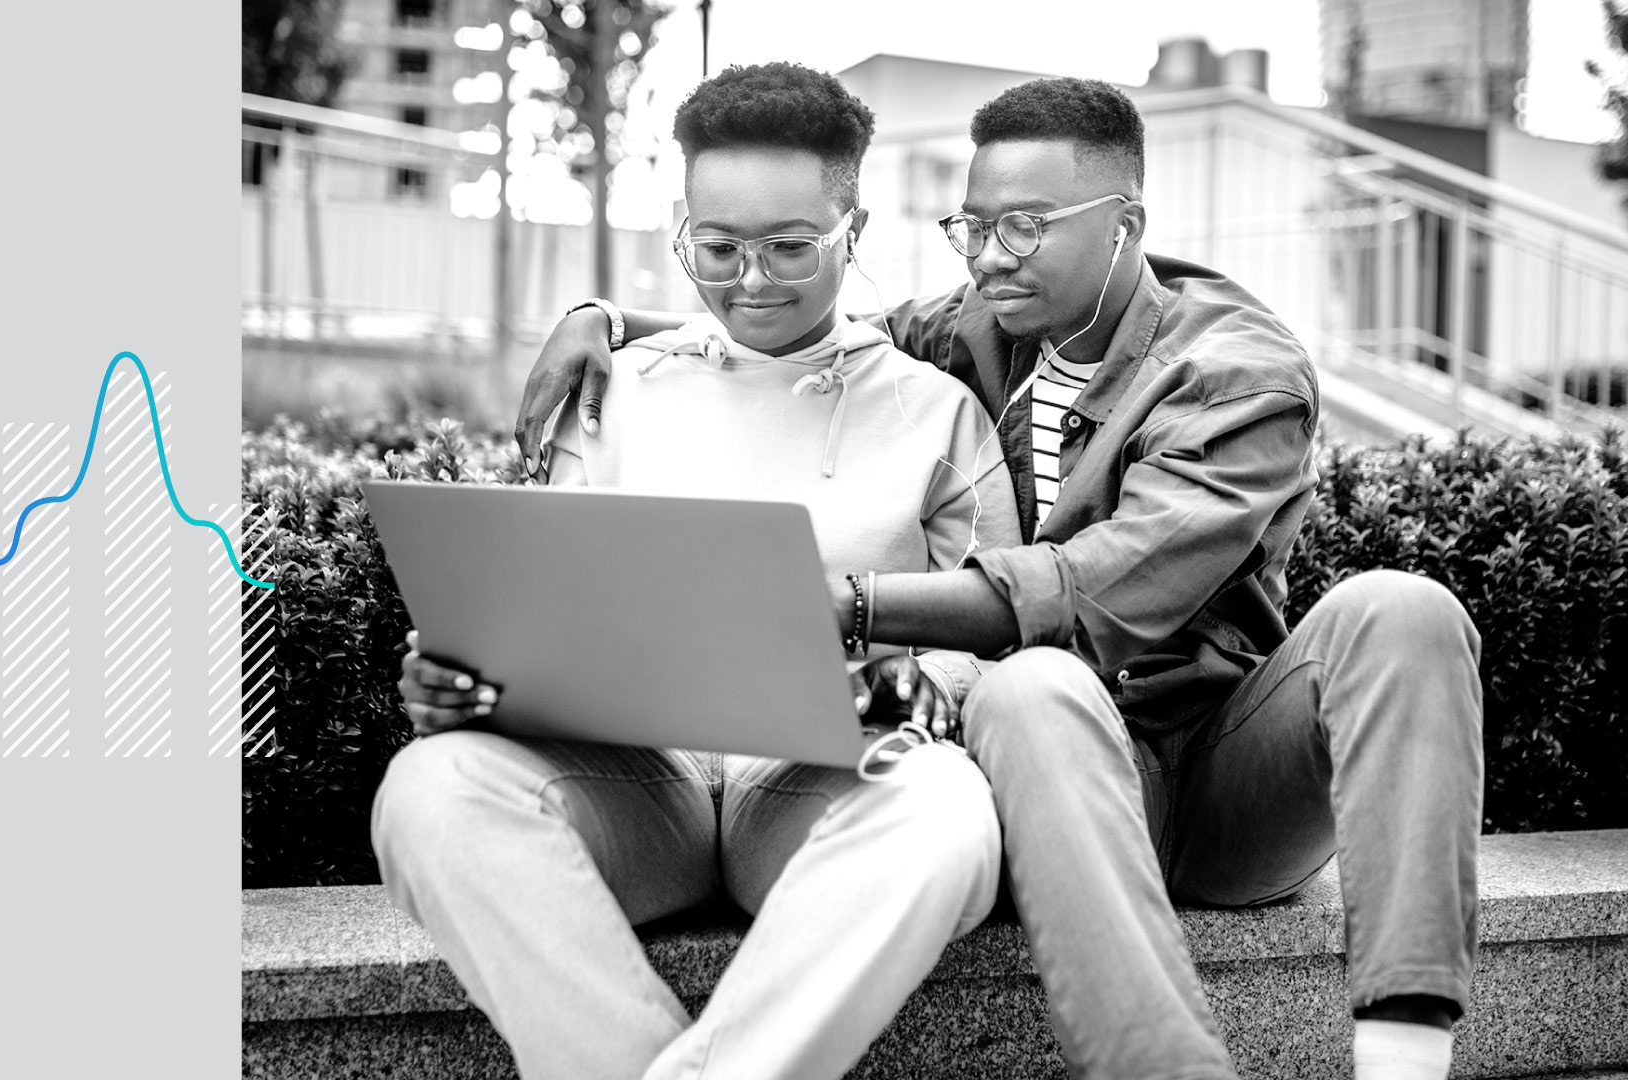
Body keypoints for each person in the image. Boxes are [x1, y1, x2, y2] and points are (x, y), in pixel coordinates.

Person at [504, 77, 1484, 1080]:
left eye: (1023, 227)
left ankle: (1404, 1062)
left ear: (1124, 225)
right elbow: (792, 309)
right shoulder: (988, 323)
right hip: (1046, 765)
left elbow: (1095, 590)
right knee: (1030, 686)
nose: (986, 257)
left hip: (1221, 771)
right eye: (971, 227)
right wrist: (606, 319)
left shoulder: (1237, 371)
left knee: (1402, 610)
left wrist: (847, 606)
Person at [374, 62, 1022, 1080]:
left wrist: (926, 683)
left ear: (853, 230)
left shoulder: (938, 416)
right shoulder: (612, 393)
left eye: (789, 247)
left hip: (822, 788)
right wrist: (461, 679)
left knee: (944, 812)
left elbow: (995, 631)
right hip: (638, 788)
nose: (750, 281)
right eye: (717, 248)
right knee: (430, 789)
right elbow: (540, 604)